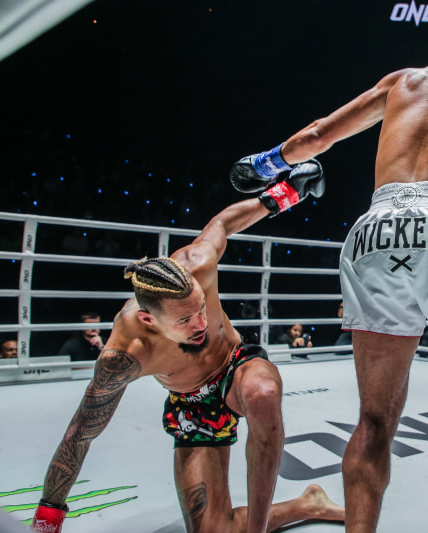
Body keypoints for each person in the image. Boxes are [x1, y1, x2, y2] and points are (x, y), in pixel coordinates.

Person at [230, 23, 428, 533]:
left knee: (374, 418)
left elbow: (317, 136)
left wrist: (265, 163)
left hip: (372, 229)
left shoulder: (402, 80)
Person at [31, 162, 343, 533]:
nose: (201, 325)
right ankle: (308, 504)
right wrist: (48, 518)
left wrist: (288, 192)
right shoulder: (126, 353)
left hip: (235, 364)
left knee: (262, 392)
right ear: (149, 320)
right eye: (184, 320)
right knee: (213, 530)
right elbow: (80, 433)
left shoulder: (197, 263)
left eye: (200, 309)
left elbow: (223, 223)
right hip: (192, 404)